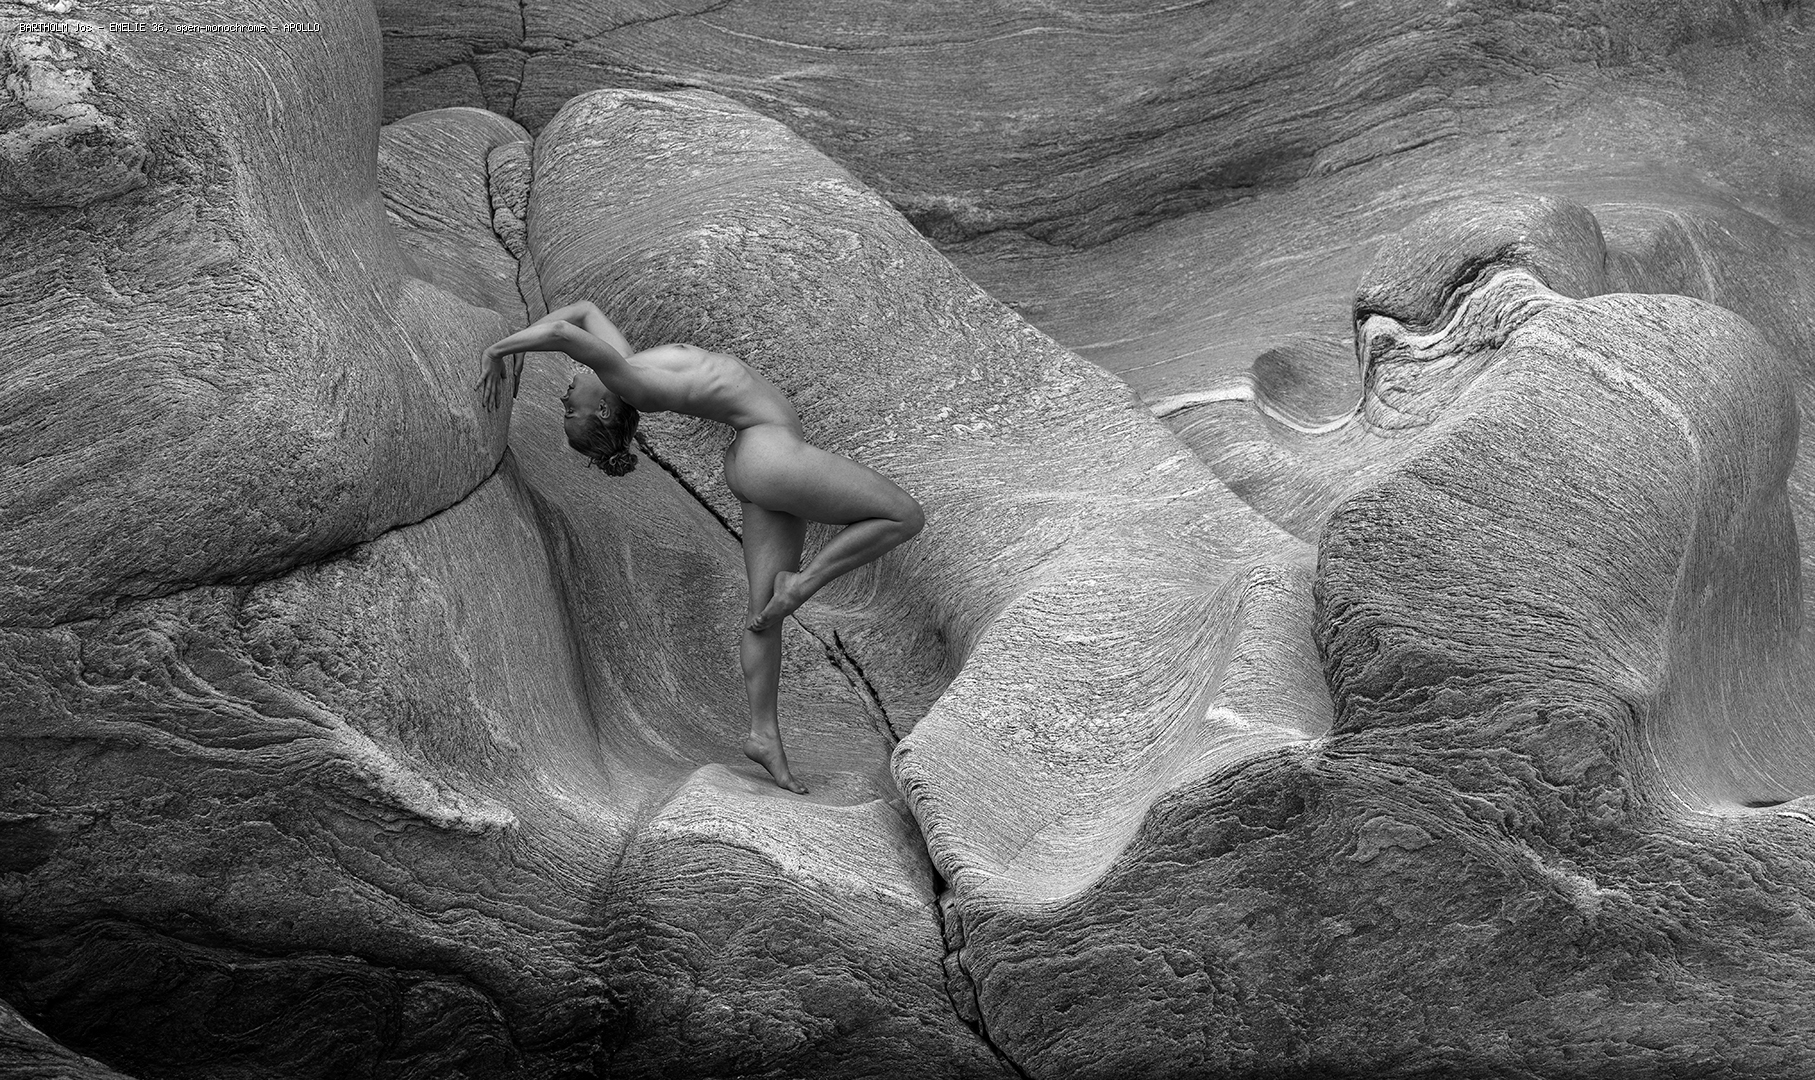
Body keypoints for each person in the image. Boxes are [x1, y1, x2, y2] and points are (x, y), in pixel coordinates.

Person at [476, 302, 924, 795]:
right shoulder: (630, 381)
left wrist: (522, 343)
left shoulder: (629, 368)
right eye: (569, 410)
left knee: (762, 616)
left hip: (752, 462)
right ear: (603, 410)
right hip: (770, 450)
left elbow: (584, 313)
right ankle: (803, 585)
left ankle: (763, 735)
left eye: (564, 408)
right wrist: (500, 350)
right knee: (903, 515)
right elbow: (563, 331)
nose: (564, 395)